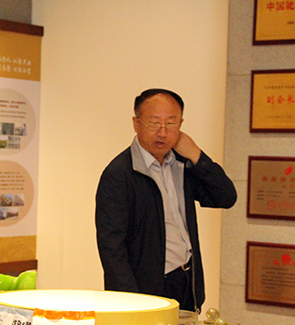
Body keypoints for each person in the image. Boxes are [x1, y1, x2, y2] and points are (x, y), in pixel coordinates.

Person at [95, 88, 237, 313]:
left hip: (186, 282)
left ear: (181, 125)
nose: (162, 133)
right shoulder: (120, 174)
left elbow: (226, 196)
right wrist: (131, 304)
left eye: (171, 124)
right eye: (154, 123)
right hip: (146, 291)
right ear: (136, 124)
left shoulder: (182, 164)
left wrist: (197, 155)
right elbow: (112, 249)